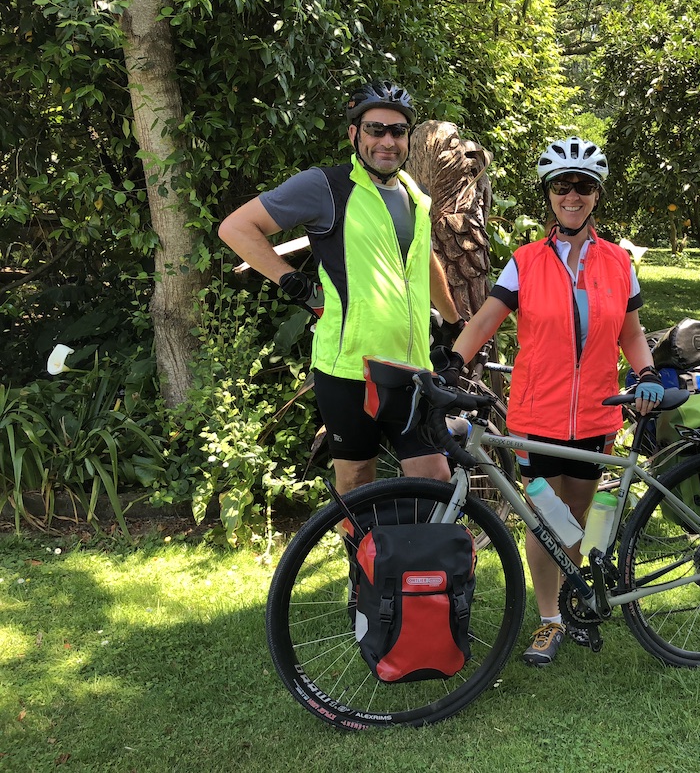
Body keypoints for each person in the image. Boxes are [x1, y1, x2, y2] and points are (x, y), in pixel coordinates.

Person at [442, 136, 665, 667]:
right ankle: (549, 620)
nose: (573, 195)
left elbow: (631, 334)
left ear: (596, 196)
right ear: (549, 194)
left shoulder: (617, 263)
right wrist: (452, 363)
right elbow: (484, 321)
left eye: (583, 187)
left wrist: (647, 371)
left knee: (577, 513)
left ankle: (571, 598)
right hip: (535, 417)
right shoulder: (525, 262)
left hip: (595, 412)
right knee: (544, 518)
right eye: (563, 186)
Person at [218, 81, 464, 494]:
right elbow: (236, 227)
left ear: (408, 138)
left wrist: (454, 320)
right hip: (349, 369)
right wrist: (292, 281)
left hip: (410, 369)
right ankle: (359, 561)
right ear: (355, 134)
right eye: (375, 129)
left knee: (432, 477)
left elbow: (422, 260)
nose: (387, 140)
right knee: (355, 480)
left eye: (398, 131)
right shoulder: (326, 187)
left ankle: (411, 560)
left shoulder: (415, 196)